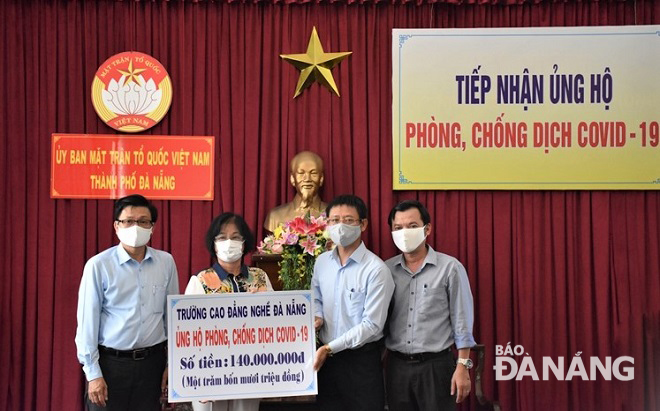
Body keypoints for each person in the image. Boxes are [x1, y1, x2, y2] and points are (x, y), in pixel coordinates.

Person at [75, 194, 180, 411]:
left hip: (152, 364)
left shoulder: (166, 262)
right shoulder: (98, 265)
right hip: (112, 365)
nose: (136, 227)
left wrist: (172, 363)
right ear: (116, 226)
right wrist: (93, 375)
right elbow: (87, 324)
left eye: (143, 221)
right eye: (128, 221)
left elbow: (172, 318)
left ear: (152, 227)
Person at [384, 200, 476, 411]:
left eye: (412, 226)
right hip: (397, 367)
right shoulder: (386, 270)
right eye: (398, 228)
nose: (405, 232)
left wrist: (463, 366)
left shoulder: (450, 268)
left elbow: (462, 319)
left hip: (436, 367)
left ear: (428, 229)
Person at [311, 194, 395, 411]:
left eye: (348, 221)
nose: (340, 226)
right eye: (334, 220)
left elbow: (372, 325)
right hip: (327, 364)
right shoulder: (322, 262)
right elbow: (316, 297)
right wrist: (317, 318)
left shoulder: (376, 270)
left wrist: (329, 348)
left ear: (363, 224)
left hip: (361, 363)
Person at [185, 212, 273, 411]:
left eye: (235, 237)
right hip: (209, 372)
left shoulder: (260, 277)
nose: (229, 242)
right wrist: (195, 378)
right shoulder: (200, 281)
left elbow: (274, 322)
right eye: (222, 237)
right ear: (213, 243)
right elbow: (187, 334)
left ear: (244, 243)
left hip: (251, 368)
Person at [264, 151, 327, 232]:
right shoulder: (275, 216)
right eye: (301, 173)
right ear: (292, 179)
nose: (307, 179)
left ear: (321, 178)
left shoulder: (333, 216)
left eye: (313, 173)